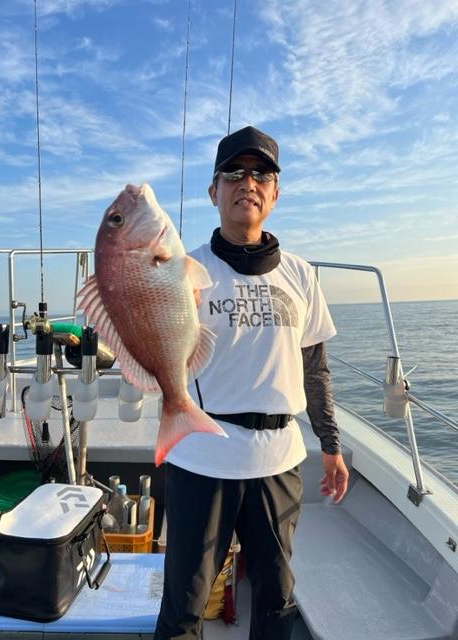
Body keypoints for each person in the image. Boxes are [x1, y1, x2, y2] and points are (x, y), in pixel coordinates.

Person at [154, 125, 349, 640]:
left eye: (262, 174)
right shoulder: (184, 270)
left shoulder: (301, 274)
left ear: (275, 193)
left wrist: (331, 445)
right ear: (213, 191)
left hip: (279, 459)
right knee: (184, 606)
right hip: (202, 456)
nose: (248, 183)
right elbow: (154, 344)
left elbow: (315, 368)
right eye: (234, 173)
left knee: (277, 599)